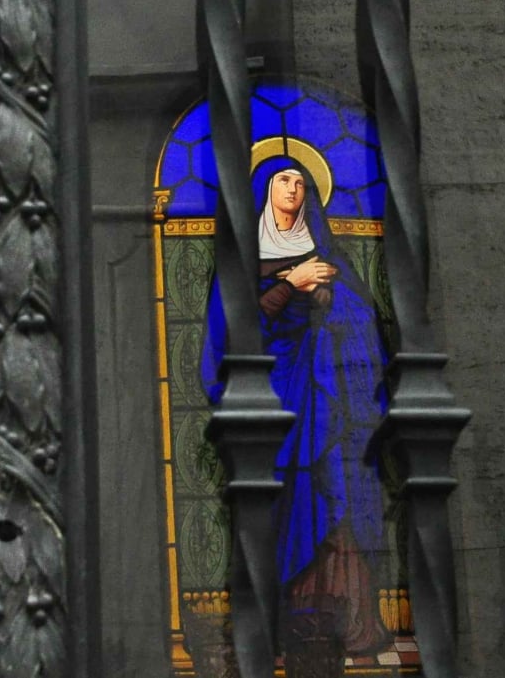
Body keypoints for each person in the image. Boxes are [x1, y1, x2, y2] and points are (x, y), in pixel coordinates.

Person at [201, 154, 392, 660]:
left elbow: (359, 323)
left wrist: (327, 299)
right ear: (265, 191)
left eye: (302, 181)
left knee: (331, 493)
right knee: (278, 500)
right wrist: (291, 285)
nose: (295, 188)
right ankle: (269, 627)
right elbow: (234, 331)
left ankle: (342, 622)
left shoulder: (326, 255)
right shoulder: (242, 262)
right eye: (284, 180)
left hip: (325, 397)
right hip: (269, 402)